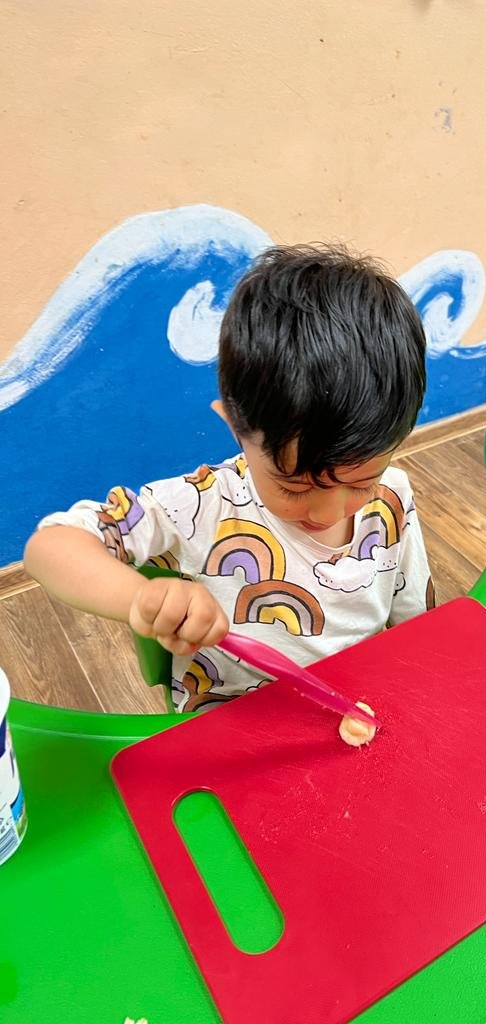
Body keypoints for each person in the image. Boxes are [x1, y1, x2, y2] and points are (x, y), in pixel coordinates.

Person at [24, 245, 435, 712]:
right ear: (236, 428)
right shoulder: (198, 507)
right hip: (232, 724)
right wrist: (141, 597)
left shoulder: (392, 495)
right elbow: (50, 547)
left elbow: (420, 629)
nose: (328, 511)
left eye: (361, 482)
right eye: (294, 486)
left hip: (358, 708)